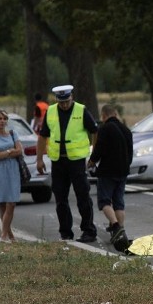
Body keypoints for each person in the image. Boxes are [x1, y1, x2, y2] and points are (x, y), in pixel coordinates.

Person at [35, 85, 99, 242]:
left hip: (76, 161)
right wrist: (39, 159)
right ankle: (65, 232)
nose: (64, 105)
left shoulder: (81, 110)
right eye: (61, 102)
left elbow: (95, 131)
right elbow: (43, 136)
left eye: (67, 101)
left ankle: (88, 231)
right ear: (57, 100)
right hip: (58, 161)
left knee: (82, 195)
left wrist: (94, 155)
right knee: (60, 198)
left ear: (72, 98)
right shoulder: (50, 111)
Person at [87, 104, 133, 252]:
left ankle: (115, 226)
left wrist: (92, 161)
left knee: (105, 201)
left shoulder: (105, 129)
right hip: (123, 171)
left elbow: (99, 148)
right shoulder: (126, 130)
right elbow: (130, 152)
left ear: (104, 115)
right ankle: (121, 234)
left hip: (108, 171)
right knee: (119, 202)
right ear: (116, 114)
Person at [0, 109, 22, 243]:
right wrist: (9, 151)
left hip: (13, 170)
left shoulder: (13, 134)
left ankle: (3, 235)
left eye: (4, 119)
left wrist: (5, 153)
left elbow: (19, 151)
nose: (2, 121)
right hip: (0, 171)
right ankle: (9, 236)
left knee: (11, 203)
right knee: (2, 203)